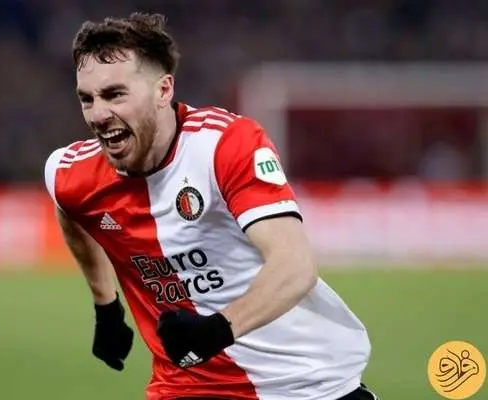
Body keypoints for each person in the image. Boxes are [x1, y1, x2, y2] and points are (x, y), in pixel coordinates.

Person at [44, 12, 377, 400]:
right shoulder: (72, 173)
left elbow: (295, 266)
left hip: (309, 385)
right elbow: (69, 208)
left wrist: (217, 330)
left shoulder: (225, 145)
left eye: (115, 94)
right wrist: (106, 306)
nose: (99, 115)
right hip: (187, 387)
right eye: (87, 99)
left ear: (163, 90)